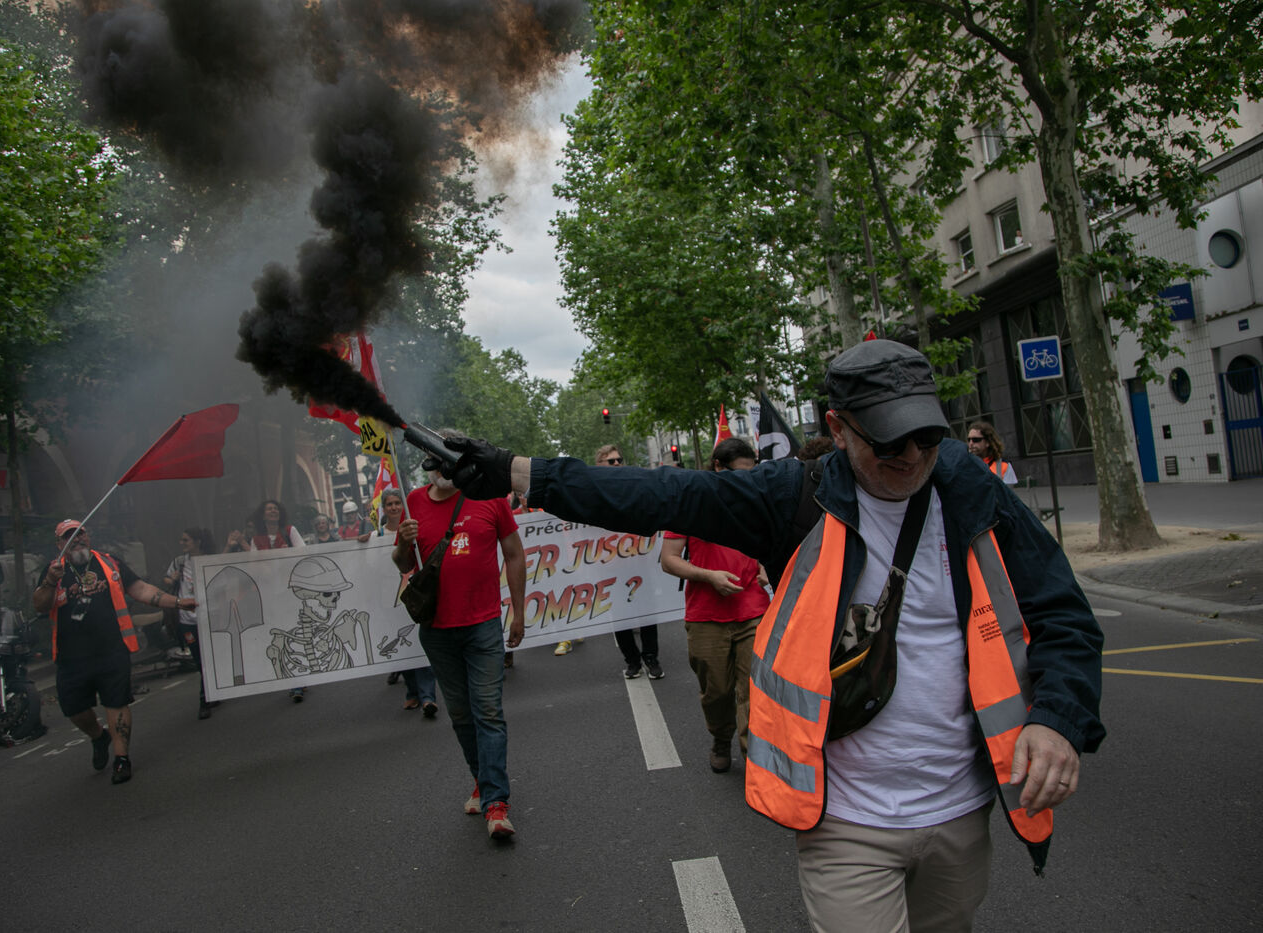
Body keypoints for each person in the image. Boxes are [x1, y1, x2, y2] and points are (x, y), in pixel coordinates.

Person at [436, 339, 1104, 931]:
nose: (911, 458)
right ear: (838, 428)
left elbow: (1063, 614)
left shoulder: (970, 489)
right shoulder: (795, 496)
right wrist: (517, 472)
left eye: (926, 438)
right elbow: (662, 493)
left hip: (963, 812)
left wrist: (1057, 720)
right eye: (888, 443)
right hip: (847, 821)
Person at [392, 437, 526, 840]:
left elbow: (514, 554)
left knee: (488, 711)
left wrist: (519, 613)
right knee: (462, 715)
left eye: (448, 462)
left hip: (483, 626)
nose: (442, 471)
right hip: (436, 631)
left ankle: (496, 804)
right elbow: (402, 563)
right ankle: (482, 781)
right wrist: (404, 542)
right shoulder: (413, 502)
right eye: (434, 464)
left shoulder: (490, 497)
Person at [32, 520, 196, 785]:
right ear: (60, 544)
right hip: (71, 658)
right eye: (69, 537)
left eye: (80, 534)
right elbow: (40, 605)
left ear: (88, 536)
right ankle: (99, 736)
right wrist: (51, 581)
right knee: (74, 709)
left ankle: (122, 758)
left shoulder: (110, 563)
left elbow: (141, 589)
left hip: (111, 650)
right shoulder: (53, 571)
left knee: (116, 702)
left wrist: (177, 603)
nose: (77, 539)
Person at [659, 438, 769, 773]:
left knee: (754, 691)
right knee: (717, 692)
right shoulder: (690, 502)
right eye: (738, 474)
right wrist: (708, 576)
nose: (745, 481)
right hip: (706, 617)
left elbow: (771, 542)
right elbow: (668, 560)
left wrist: (766, 565)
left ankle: (755, 760)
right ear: (718, 467)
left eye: (750, 474)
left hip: (755, 612)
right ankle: (721, 739)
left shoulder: (757, 499)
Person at [597, 444, 661, 679]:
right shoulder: (593, 493)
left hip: (639, 563)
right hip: (611, 568)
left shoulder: (634, 486)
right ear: (599, 465)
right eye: (611, 461)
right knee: (620, 617)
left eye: (619, 460)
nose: (617, 463)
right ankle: (632, 661)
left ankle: (651, 658)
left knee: (647, 613)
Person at [376, 488, 437, 715]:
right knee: (403, 646)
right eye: (389, 504)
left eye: (397, 503)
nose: (393, 507)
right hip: (391, 600)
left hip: (415, 595)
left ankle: (428, 696)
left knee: (420, 644)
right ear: (384, 508)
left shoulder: (414, 527)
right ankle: (412, 692)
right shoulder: (376, 536)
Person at [249, 499, 308, 701]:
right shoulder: (256, 539)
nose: (273, 511)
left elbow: (303, 553)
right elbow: (253, 567)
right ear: (263, 515)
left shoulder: (290, 531)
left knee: (294, 633)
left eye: (275, 508)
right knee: (280, 637)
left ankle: (298, 680)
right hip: (270, 596)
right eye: (269, 509)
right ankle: (294, 679)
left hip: (290, 592)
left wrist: (281, 557)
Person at [163, 527, 219, 719]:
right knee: (198, 660)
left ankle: (205, 699)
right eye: (182, 540)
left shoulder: (209, 559)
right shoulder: (179, 562)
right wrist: (171, 580)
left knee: (208, 659)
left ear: (198, 542)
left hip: (208, 617)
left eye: (186, 540)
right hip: (186, 620)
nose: (182, 543)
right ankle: (211, 692)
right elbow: (166, 579)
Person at [967, 420, 1018, 485]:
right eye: (969, 440)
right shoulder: (965, 466)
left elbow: (1009, 490)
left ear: (988, 442)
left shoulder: (1003, 466)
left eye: (975, 440)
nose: (971, 443)